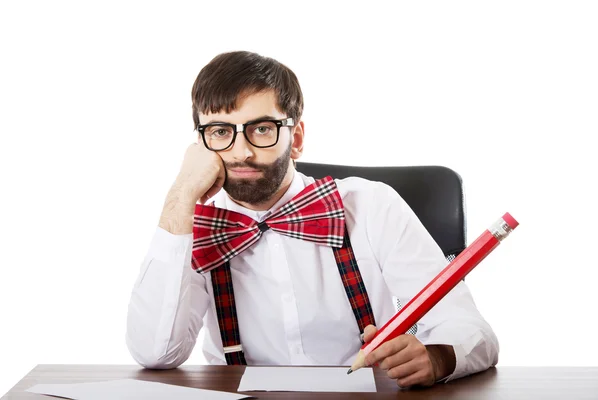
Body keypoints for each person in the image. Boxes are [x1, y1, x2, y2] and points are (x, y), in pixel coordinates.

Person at [126, 50, 499, 389]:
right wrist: (180, 197)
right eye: (221, 132)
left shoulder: (372, 206)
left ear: (297, 137)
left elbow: (472, 330)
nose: (241, 151)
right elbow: (156, 353)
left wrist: (438, 357)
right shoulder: (191, 228)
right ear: (201, 144)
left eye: (262, 129)